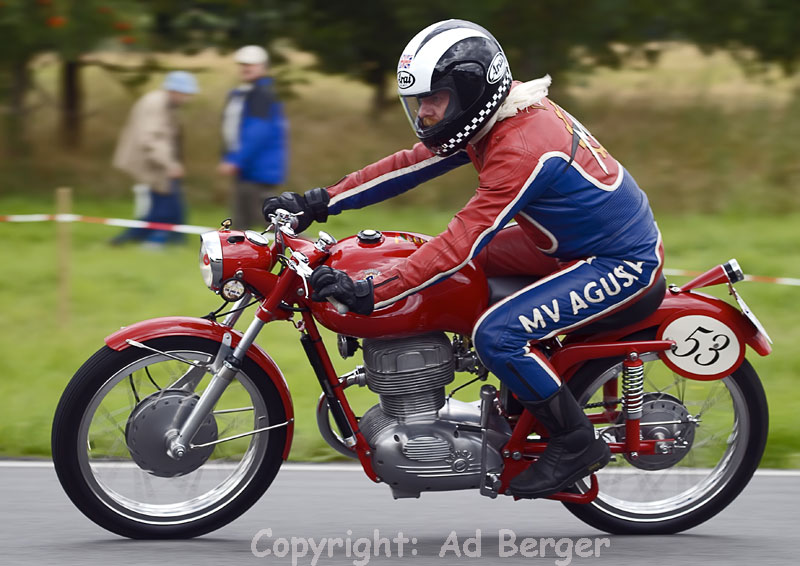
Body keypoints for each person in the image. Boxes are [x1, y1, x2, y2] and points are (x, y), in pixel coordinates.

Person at [263, 20, 665, 499]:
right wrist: (319, 201)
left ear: (473, 89)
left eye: (436, 98)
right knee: (450, 274)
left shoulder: (521, 146)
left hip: (619, 262)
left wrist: (375, 291)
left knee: (497, 332)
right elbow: (410, 164)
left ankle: (575, 441)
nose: (426, 113)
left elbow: (460, 241)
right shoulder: (496, 113)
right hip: (559, 242)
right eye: (419, 101)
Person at [111, 71, 198, 246]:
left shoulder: (164, 102)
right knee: (164, 205)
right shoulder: (156, 104)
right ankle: (150, 241)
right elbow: (151, 139)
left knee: (168, 202)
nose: (187, 99)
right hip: (151, 162)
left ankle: (175, 239)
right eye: (185, 94)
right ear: (175, 91)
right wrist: (170, 164)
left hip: (155, 160)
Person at [218, 45, 288, 229]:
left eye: (252, 65)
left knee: (267, 220)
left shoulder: (261, 95)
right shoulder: (244, 93)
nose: (246, 68)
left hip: (257, 169)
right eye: (243, 64)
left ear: (263, 67)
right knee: (245, 220)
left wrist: (235, 160)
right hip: (248, 169)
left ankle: (310, 249)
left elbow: (257, 132)